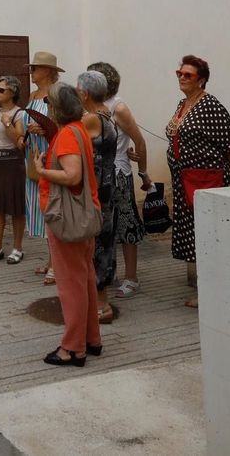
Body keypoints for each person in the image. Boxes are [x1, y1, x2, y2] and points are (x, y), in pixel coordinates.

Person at [27, 81, 100, 367]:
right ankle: (92, 339)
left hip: (67, 217)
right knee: (84, 280)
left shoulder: (68, 133)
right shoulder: (78, 129)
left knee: (70, 284)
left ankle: (73, 348)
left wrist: (42, 169)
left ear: (57, 108)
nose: (46, 107)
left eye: (48, 103)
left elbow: (72, 176)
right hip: (83, 214)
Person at [164, 55, 230, 309]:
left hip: (205, 180)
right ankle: (203, 286)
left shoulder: (210, 105)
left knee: (207, 234)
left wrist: (215, 167)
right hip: (184, 179)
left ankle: (212, 289)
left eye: (189, 75)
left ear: (202, 81)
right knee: (194, 234)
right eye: (180, 73)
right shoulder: (183, 103)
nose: (182, 78)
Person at [88, 61, 152, 300]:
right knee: (105, 227)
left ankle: (132, 278)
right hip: (99, 174)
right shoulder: (93, 107)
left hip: (119, 174)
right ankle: (108, 271)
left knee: (126, 226)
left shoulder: (118, 108)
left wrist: (143, 172)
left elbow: (140, 141)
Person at [77, 70, 118, 324]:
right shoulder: (105, 112)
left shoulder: (92, 118)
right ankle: (99, 298)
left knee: (98, 241)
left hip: (98, 189)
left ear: (85, 93)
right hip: (106, 185)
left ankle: (101, 302)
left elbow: (70, 138)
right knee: (104, 238)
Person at [24, 51, 63, 281]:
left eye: (34, 68)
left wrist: (45, 128)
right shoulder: (32, 94)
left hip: (51, 153)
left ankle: (55, 264)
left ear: (46, 71)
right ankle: (52, 259)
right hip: (34, 155)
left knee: (52, 207)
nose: (31, 72)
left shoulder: (56, 94)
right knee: (41, 208)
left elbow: (63, 125)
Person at [0, 74, 28, 265]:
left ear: (12, 92)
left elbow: (20, 143)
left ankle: (17, 248)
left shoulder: (19, 114)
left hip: (13, 164)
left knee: (16, 208)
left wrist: (8, 123)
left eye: (1, 90)